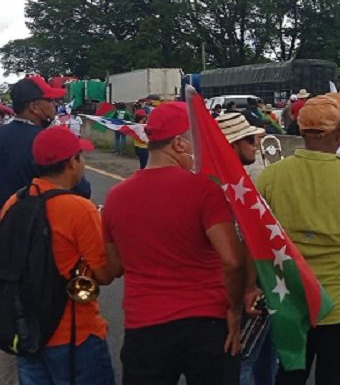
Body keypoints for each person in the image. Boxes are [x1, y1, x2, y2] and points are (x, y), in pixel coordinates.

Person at [102, 102, 246, 384]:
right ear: (179, 143)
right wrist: (236, 310)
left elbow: (115, 265)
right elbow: (232, 259)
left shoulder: (115, 197)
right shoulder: (204, 190)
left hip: (144, 324)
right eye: (196, 141)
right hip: (207, 321)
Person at [255, 94, 340, 384]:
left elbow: (256, 240)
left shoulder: (271, 177)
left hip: (290, 301)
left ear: (301, 131)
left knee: (289, 376)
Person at [0, 75, 91, 385]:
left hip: (6, 239)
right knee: (61, 314)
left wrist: (4, 199)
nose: (55, 104)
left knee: (10, 312)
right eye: (50, 100)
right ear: (36, 107)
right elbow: (81, 189)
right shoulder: (46, 143)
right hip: (53, 240)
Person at [0, 126, 117, 385]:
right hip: (75, 336)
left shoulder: (13, 202)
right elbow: (105, 274)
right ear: (72, 163)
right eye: (81, 157)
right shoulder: (79, 209)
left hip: (28, 332)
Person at [216, 112, 275, 385]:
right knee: (243, 363)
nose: (256, 144)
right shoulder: (235, 189)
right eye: (250, 140)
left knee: (265, 358)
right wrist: (251, 287)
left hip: (234, 288)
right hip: (245, 290)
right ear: (232, 146)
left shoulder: (213, 181)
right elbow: (248, 240)